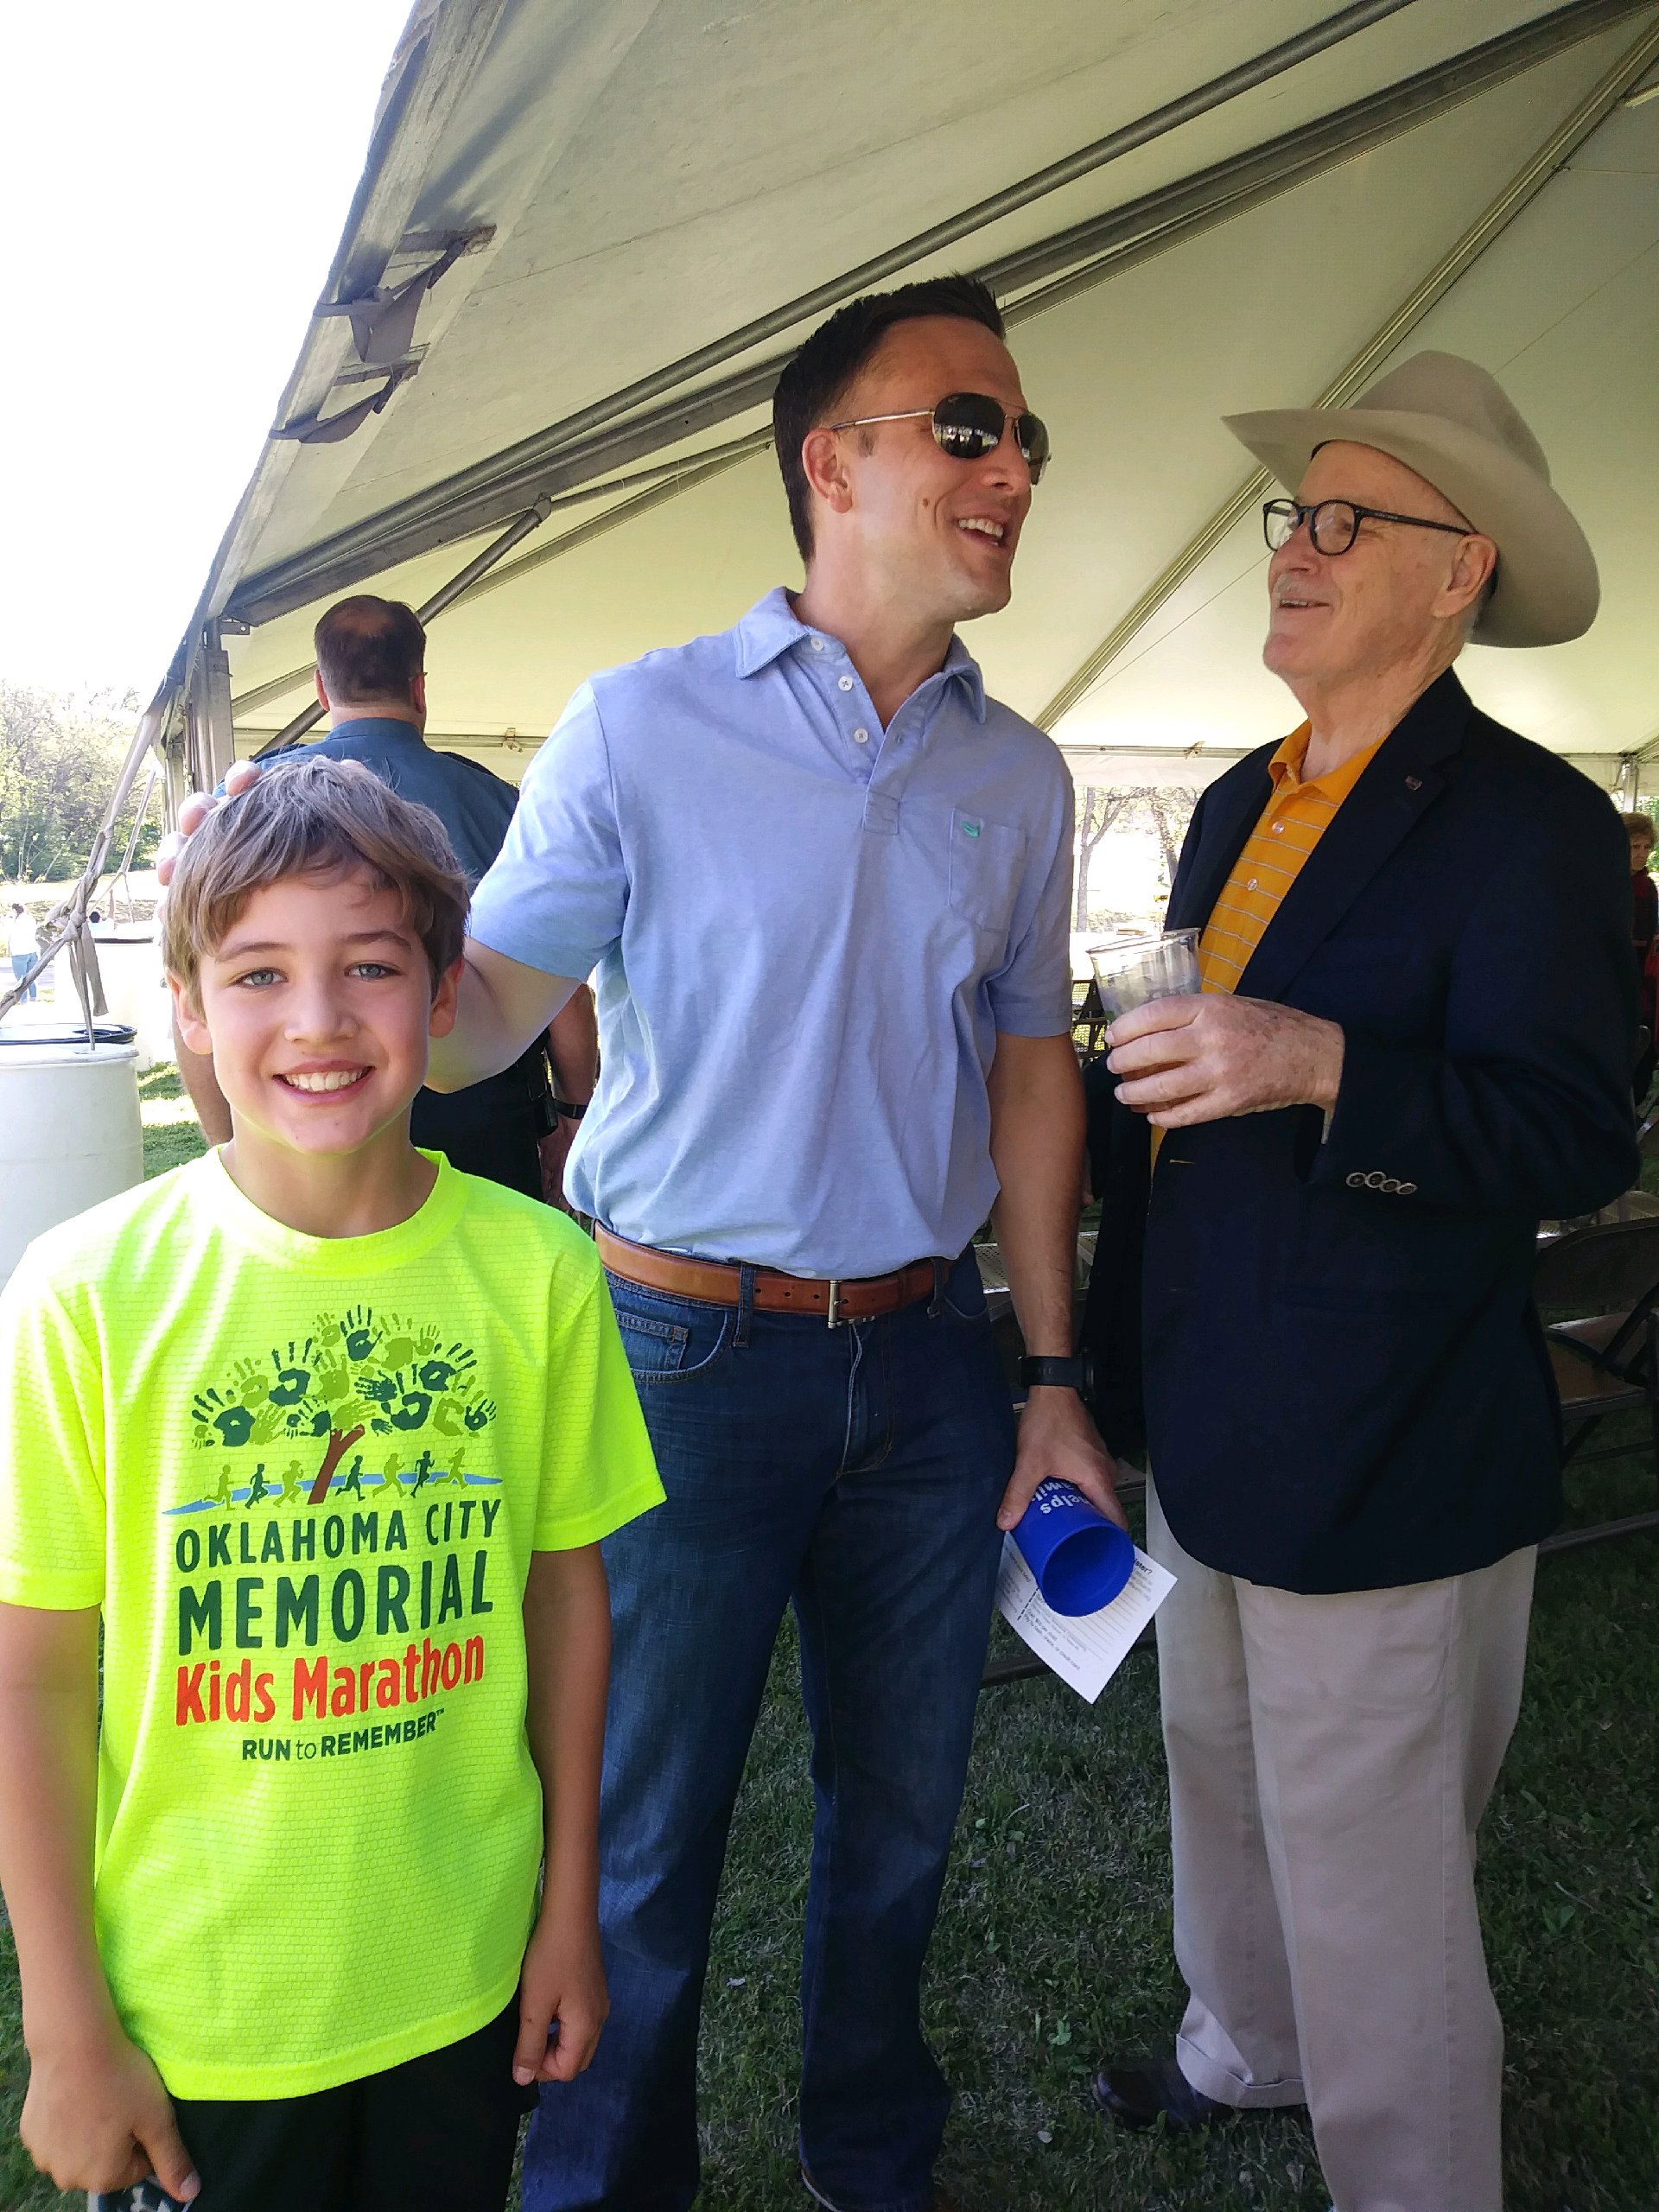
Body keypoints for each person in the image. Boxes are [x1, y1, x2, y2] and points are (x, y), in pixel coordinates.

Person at [418, 274, 1116, 2212]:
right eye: (969, 426)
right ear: (834, 463)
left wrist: (1053, 1375)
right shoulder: (640, 722)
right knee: (640, 1838)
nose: (1015, 467)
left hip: (930, 1359)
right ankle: (605, 2186)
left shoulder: (1019, 772)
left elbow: (1033, 1075)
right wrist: (312, 954)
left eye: (1027, 437)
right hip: (675, 1360)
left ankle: (869, 2157)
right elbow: (479, 1016)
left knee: (904, 1820)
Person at [1082, 353, 1637, 2212]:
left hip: (1390, 1434)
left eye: (1346, 519)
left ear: (1459, 571)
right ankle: (1247, 2043)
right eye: (1292, 516)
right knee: (1216, 1760)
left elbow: (1573, 1134)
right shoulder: (1242, 798)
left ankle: (1412, 2176)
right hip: (1210, 1398)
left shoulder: (1535, 825)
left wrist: (1321, 1063)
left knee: (1374, 1868)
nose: (1293, 551)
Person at [0, 760, 662, 2209]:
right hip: (204, 2006)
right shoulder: (83, 1296)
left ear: (442, 996)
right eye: (257, 974)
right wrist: (64, 2026)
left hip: (463, 1971)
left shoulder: (543, 1271)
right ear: (187, 1008)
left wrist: (569, 1907)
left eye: (369, 964)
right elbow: (33, 1677)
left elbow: (565, 1600)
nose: (316, 1020)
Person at [173, 595, 599, 1205]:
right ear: (419, 687)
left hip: (299, 1109)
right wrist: (573, 1113)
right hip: (486, 1111)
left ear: (321, 688)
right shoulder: (506, 806)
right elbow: (565, 993)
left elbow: (195, 987)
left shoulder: (248, 801)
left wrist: (229, 1153)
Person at [1620, 808, 1656, 1103]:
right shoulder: (1606, 883)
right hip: (1614, 968)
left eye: (1647, 847)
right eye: (1635, 847)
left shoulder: (1648, 886)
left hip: (1642, 970)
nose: (1642, 854)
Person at [8, 901, 38, 1001]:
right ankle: (33, 997)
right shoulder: (30, 919)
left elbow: (10, 936)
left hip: (19, 951)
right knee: (31, 976)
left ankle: (23, 999)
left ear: (14, 910)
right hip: (32, 950)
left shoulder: (14, 921)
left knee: (21, 978)